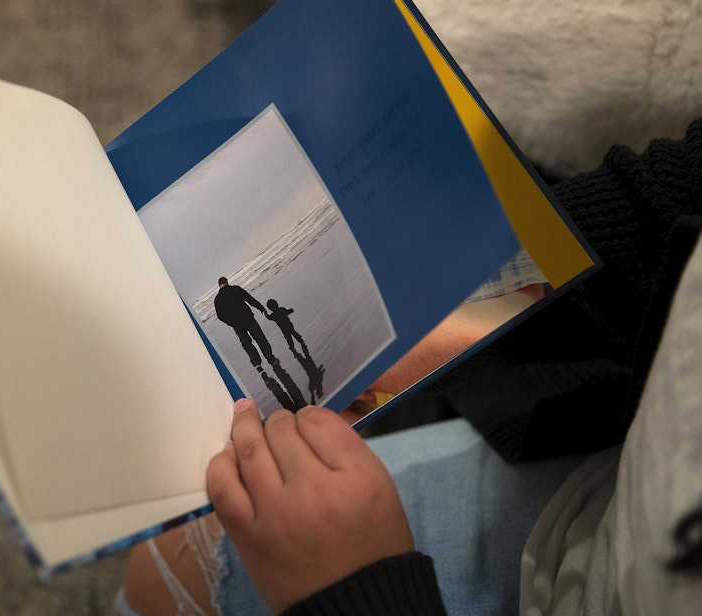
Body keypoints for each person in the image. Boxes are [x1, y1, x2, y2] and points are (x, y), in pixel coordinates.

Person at [118, 120, 702, 615]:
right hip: (608, 490)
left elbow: (250, 314)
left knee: (186, 548)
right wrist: (410, 343)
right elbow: (664, 203)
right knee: (168, 558)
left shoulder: (230, 299)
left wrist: (357, 589)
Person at [214, 277, 277, 370]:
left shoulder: (218, 299)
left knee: (247, 343)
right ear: (227, 282)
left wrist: (231, 323)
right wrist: (261, 308)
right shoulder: (235, 289)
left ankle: (257, 363)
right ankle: (271, 359)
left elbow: (220, 316)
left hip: (237, 326)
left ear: (219, 285)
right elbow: (249, 299)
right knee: (260, 338)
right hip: (248, 318)